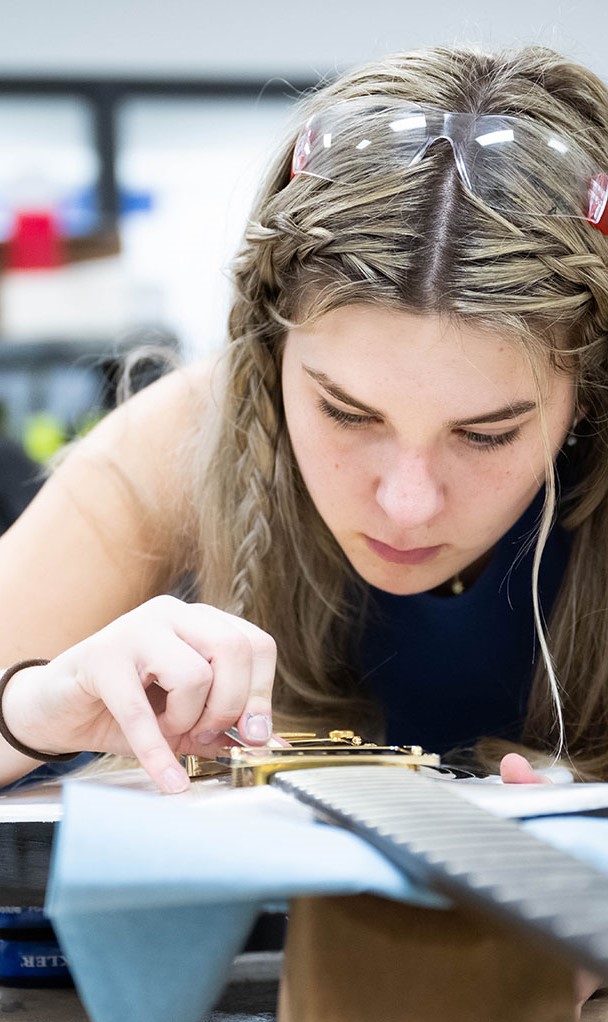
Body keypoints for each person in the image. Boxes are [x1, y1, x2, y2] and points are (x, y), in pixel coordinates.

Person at [0, 43, 607, 804]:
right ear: (268, 347)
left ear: (590, 390)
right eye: (346, 413)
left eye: (486, 434)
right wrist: (32, 710)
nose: (406, 505)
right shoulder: (185, 434)